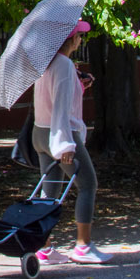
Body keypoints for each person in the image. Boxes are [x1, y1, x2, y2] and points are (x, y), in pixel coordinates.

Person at [31, 19, 112, 264]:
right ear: (72, 39)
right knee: (87, 184)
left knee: (50, 190)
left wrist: (80, 83)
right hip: (60, 133)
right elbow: (62, 108)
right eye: (79, 36)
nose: (81, 40)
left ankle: (43, 247)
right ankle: (83, 246)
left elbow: (54, 97)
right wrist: (65, 144)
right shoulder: (64, 65)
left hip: (40, 133)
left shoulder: (45, 63)